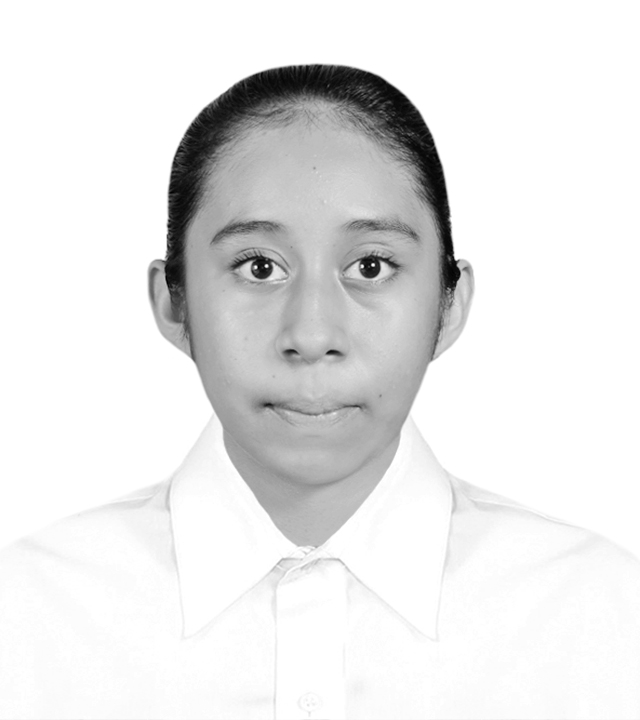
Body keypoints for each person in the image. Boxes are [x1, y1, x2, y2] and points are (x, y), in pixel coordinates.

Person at [0, 65, 638, 720]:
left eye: (370, 266)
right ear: (174, 301)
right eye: (259, 267)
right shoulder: (23, 616)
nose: (310, 335)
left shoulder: (606, 616)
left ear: (448, 305)